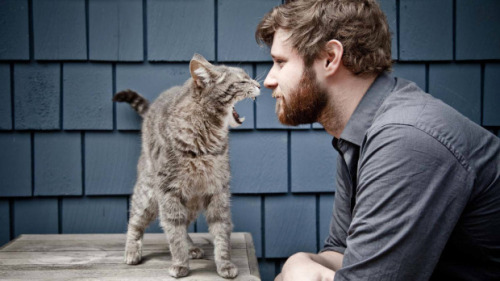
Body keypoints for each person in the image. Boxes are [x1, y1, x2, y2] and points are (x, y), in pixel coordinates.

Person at [255, 0, 500, 280]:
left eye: (280, 62)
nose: (269, 80)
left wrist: (302, 271)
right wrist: (299, 262)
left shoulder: (406, 139)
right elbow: (341, 251)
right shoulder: (360, 134)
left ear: (330, 58)